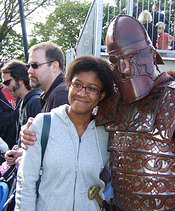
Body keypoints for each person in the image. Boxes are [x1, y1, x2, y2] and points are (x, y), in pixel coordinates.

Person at [21, 15, 175, 210]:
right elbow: (78, 121)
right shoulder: (112, 103)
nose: (123, 68)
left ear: (151, 55)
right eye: (115, 61)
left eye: (131, 56)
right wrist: (36, 127)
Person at [15, 55, 114, 210]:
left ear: (101, 95)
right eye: (77, 84)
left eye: (92, 88)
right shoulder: (43, 124)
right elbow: (26, 182)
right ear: (68, 85)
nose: (82, 93)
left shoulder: (106, 134)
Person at [1, 60, 42, 133]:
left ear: (20, 80)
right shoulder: (26, 102)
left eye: (7, 83)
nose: (4, 87)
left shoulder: (35, 102)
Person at [27, 41, 69, 112]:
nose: (29, 71)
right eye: (28, 66)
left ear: (54, 66)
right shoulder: (54, 93)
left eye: (35, 65)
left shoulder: (61, 94)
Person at [0, 62, 21, 150]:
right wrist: (17, 113)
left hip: (22, 143)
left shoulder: (22, 93)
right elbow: (1, 119)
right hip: (5, 142)